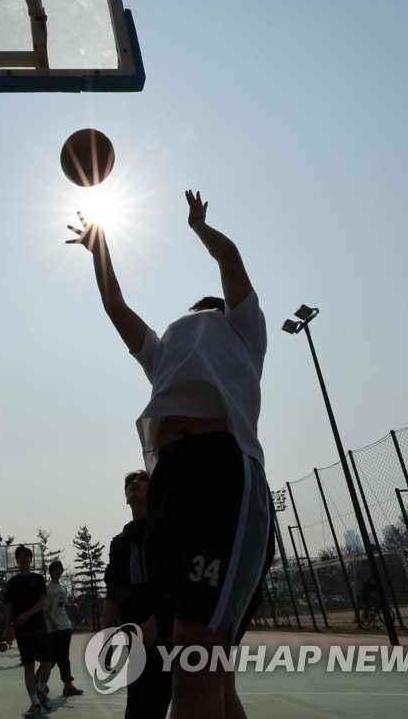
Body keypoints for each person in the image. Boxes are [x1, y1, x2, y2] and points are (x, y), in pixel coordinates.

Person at [68, 190, 274, 719]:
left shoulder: (240, 328)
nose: (195, 308)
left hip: (221, 472)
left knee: (196, 665)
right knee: (212, 670)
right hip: (172, 483)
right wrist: (99, 249)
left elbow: (230, 260)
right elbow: (114, 305)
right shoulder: (164, 351)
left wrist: (198, 227)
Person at [104, 470, 172, 719]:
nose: (134, 482)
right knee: (138, 710)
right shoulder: (120, 542)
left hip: (175, 634)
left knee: (196, 703)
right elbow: (113, 593)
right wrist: (107, 640)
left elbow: (181, 583)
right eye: (128, 482)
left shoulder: (169, 529)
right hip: (139, 641)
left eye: (142, 479)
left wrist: (159, 621)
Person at [3, 545, 53, 718]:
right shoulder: (12, 583)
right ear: (16, 561)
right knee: (29, 666)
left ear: (31, 560)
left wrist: (27, 614)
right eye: (20, 557)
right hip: (22, 632)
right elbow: (9, 606)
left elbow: (43, 602)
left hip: (39, 627)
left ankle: (40, 690)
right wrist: (7, 627)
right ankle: (34, 703)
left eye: (27, 556)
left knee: (47, 662)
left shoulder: (38, 579)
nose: (24, 559)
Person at [43, 560, 84, 698]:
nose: (58, 572)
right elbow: (45, 609)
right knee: (53, 658)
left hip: (65, 626)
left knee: (64, 657)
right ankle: (39, 679)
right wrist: (52, 622)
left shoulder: (62, 587)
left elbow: (63, 605)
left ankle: (68, 685)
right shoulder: (47, 588)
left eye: (60, 569)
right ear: (51, 571)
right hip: (52, 628)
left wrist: (71, 606)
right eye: (55, 569)